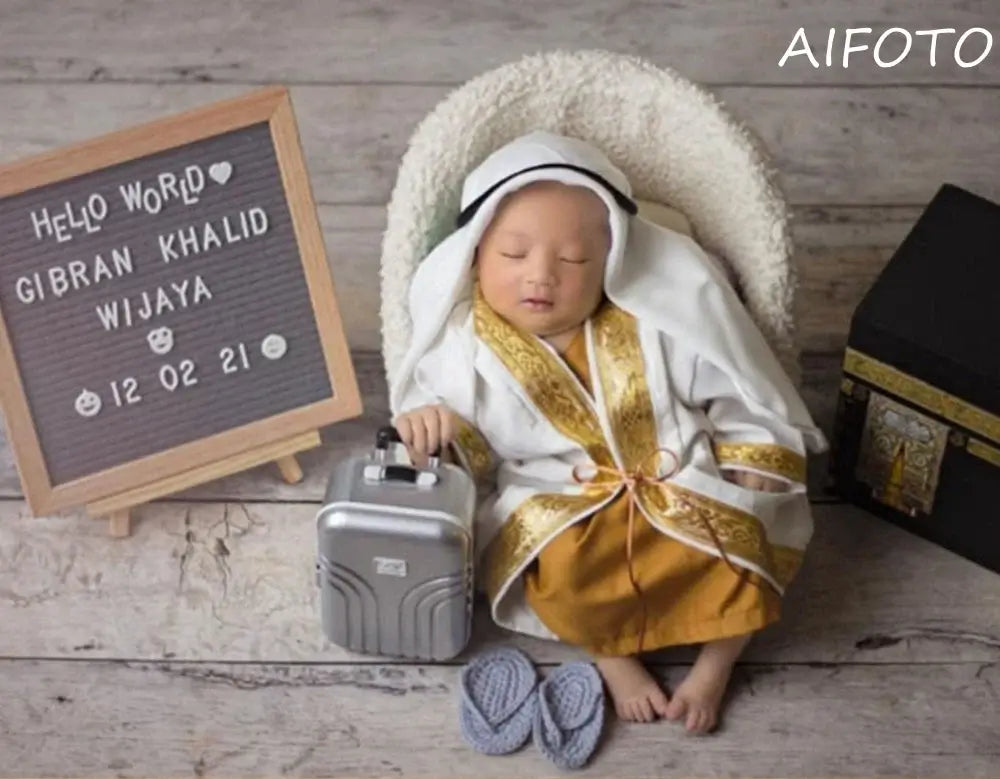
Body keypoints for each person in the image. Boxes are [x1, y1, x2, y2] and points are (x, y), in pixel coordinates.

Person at [389, 131, 828, 734]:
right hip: (566, 505)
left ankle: (718, 662)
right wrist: (433, 427)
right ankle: (612, 654)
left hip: (681, 479)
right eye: (514, 255)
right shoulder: (465, 347)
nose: (541, 276)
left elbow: (734, 388)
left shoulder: (658, 320)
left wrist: (751, 450)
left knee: (739, 546)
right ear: (473, 256)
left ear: (612, 262)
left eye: (572, 261)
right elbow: (472, 452)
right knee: (557, 574)